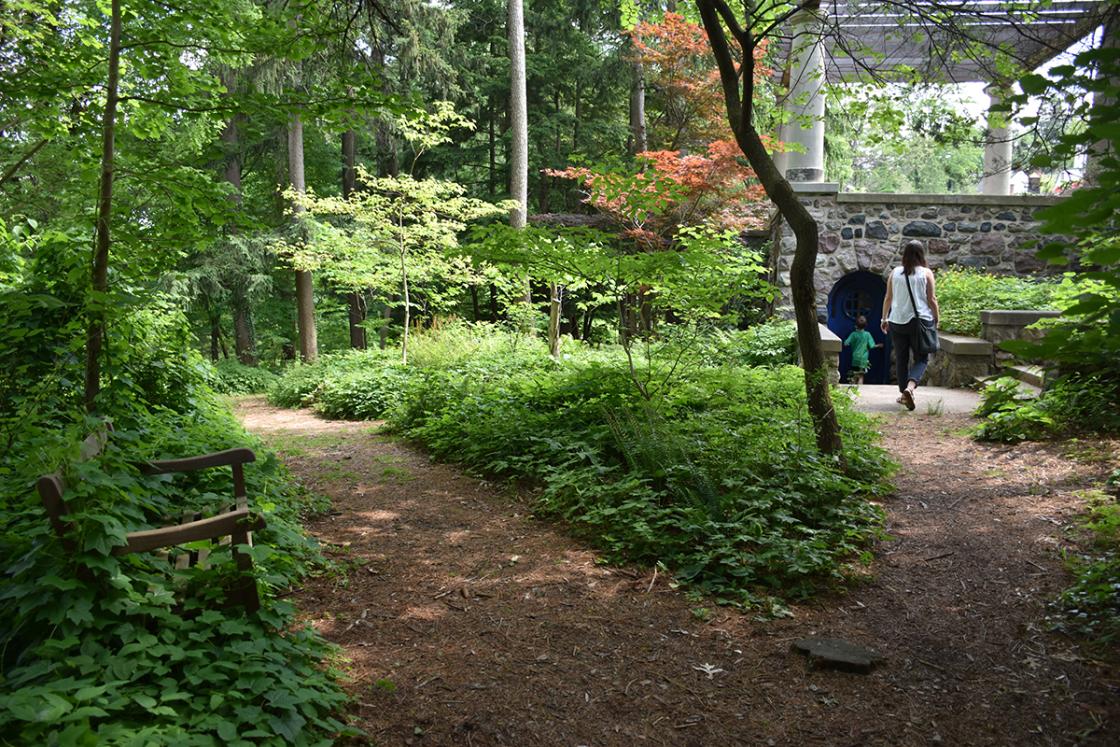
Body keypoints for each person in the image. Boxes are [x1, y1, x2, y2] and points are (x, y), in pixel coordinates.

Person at [880, 240, 940, 411]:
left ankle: (903, 394)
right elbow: (932, 299)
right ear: (921, 255)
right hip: (918, 321)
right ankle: (910, 388)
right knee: (921, 358)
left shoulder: (894, 273)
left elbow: (888, 298)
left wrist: (884, 319)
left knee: (901, 358)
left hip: (897, 321)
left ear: (904, 254)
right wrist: (936, 318)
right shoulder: (926, 273)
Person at [843, 315, 881, 386]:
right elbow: (872, 346)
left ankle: (853, 390)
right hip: (863, 359)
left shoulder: (853, 334)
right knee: (861, 376)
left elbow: (846, 343)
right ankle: (860, 390)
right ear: (865, 325)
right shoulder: (867, 334)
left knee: (854, 375)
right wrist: (879, 345)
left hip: (855, 358)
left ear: (855, 325)